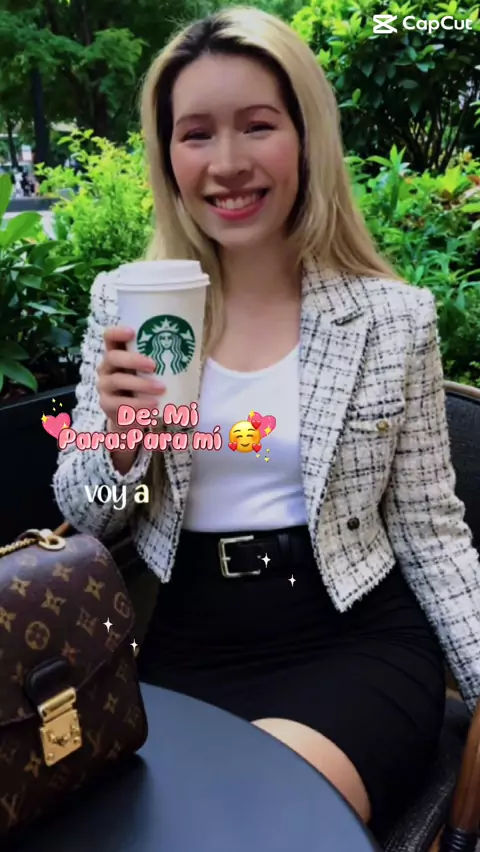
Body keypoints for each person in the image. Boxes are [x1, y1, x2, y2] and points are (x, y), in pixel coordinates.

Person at [53, 6, 480, 836]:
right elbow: (88, 515)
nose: (228, 164)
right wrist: (121, 446)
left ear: (306, 138)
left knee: (253, 827)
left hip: (351, 638)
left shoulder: (392, 319)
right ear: (168, 155)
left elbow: (431, 530)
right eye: (196, 134)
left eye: (257, 125)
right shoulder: (126, 303)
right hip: (181, 637)